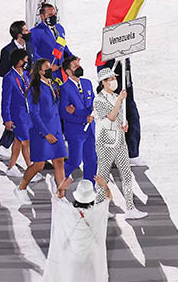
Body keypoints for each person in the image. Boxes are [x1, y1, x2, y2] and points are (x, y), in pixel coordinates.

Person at [93, 68, 147, 219]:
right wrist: (119, 101)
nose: (113, 81)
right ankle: (99, 208)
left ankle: (130, 208)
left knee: (127, 175)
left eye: (113, 78)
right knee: (102, 176)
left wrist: (125, 124)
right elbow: (110, 116)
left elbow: (120, 118)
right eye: (109, 79)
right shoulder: (99, 100)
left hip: (120, 142)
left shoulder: (117, 96)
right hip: (105, 143)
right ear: (103, 83)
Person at [14, 59, 66, 205]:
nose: (50, 69)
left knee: (59, 161)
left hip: (56, 129)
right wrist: (45, 133)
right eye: (47, 68)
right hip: (41, 132)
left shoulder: (54, 85)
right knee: (39, 165)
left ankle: (61, 197)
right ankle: (21, 188)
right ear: (40, 72)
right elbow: (34, 115)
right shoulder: (33, 90)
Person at [42, 175, 111, 282]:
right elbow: (108, 198)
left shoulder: (67, 209)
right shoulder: (97, 210)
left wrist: (62, 187)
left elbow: (56, 198)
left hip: (71, 257)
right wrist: (104, 185)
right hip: (91, 258)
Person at [95, 54, 146, 167]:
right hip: (113, 97)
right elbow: (101, 73)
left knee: (133, 120)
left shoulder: (124, 51)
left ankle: (132, 154)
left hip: (127, 94)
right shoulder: (104, 54)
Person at [0, 20, 35, 157]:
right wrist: (18, 72)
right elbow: (1, 71)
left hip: (28, 85)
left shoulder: (29, 44)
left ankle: (5, 145)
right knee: (16, 116)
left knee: (22, 117)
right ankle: (6, 145)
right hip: (15, 86)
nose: (28, 31)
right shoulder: (7, 50)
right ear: (18, 35)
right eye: (25, 30)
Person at [60, 56, 97, 182]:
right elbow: (64, 114)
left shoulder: (87, 83)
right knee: (75, 161)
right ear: (68, 72)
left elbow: (93, 105)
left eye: (78, 65)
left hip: (90, 130)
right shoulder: (65, 88)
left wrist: (77, 112)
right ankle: (59, 179)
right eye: (75, 66)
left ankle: (89, 189)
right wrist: (83, 118)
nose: (79, 67)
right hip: (75, 132)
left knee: (92, 161)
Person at [1, 49, 34, 178]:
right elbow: (5, 100)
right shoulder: (9, 78)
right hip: (18, 116)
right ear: (19, 62)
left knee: (18, 141)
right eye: (25, 60)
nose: (27, 62)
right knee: (26, 142)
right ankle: (31, 170)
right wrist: (6, 119)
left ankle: (11, 166)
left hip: (28, 114)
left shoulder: (25, 75)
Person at [30, 4, 73, 87]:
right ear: (42, 16)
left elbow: (62, 46)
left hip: (61, 72)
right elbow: (33, 53)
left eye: (54, 14)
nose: (53, 17)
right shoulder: (35, 32)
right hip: (47, 73)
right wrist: (46, 66)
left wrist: (72, 58)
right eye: (50, 15)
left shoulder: (60, 28)